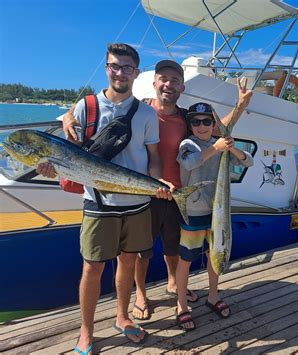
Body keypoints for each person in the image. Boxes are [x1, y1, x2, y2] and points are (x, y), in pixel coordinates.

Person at [62, 59, 253, 321]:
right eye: (163, 78)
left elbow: (217, 131)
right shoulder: (140, 108)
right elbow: (101, 100)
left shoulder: (186, 119)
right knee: (141, 251)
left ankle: (174, 284)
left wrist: (241, 104)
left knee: (173, 247)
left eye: (175, 80)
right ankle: (141, 294)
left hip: (178, 193)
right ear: (154, 83)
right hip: (145, 191)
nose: (168, 84)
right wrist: (70, 115)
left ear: (182, 87)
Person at [37, 43, 173, 354]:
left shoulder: (146, 114)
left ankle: (122, 317)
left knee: (127, 262)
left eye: (127, 68)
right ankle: (86, 331)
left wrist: (157, 181)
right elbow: (67, 152)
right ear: (106, 68)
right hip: (98, 203)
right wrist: (50, 167)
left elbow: (152, 157)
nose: (120, 72)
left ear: (136, 73)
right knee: (92, 268)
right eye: (114, 66)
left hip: (137, 204)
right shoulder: (85, 107)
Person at [175, 102, 254, 331]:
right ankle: (181, 305)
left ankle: (212, 296)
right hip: (194, 212)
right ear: (190, 125)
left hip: (218, 213)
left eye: (206, 121)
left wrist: (232, 149)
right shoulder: (187, 144)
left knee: (214, 255)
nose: (202, 126)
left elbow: (248, 161)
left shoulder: (219, 144)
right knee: (186, 259)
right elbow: (190, 162)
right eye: (196, 122)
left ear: (213, 124)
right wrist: (217, 149)